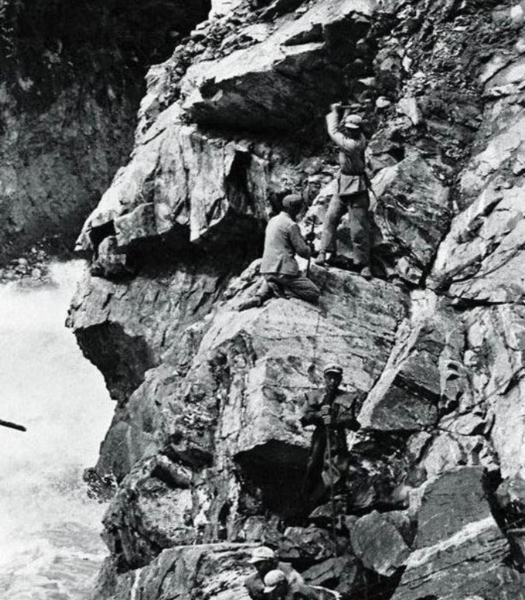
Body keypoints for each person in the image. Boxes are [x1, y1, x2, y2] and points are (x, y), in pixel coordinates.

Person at [316, 104, 372, 278]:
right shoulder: (352, 136)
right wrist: (345, 113)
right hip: (343, 185)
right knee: (330, 218)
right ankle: (324, 252)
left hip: (357, 189)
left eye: (353, 130)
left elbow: (333, 131)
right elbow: (341, 128)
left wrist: (334, 111)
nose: (349, 131)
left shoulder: (353, 144)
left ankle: (363, 264)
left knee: (358, 229)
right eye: (348, 129)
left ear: (359, 131)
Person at [237, 194, 320, 311]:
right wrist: (309, 249)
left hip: (267, 269)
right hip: (283, 270)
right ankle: (284, 291)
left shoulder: (273, 220)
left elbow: (282, 240)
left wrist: (304, 238)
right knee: (313, 293)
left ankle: (259, 297)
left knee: (274, 278)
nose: (300, 211)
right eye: (299, 207)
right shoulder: (291, 225)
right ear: (293, 208)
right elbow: (302, 251)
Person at [300, 364, 361, 507]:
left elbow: (351, 420)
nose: (332, 381)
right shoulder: (314, 396)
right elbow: (305, 417)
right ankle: (309, 498)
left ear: (340, 379)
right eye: (329, 378)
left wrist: (334, 420)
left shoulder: (348, 397)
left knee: (338, 464)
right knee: (314, 463)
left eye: (336, 378)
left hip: (337, 435)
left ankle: (336, 497)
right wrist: (320, 415)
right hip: (320, 434)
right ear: (324, 378)